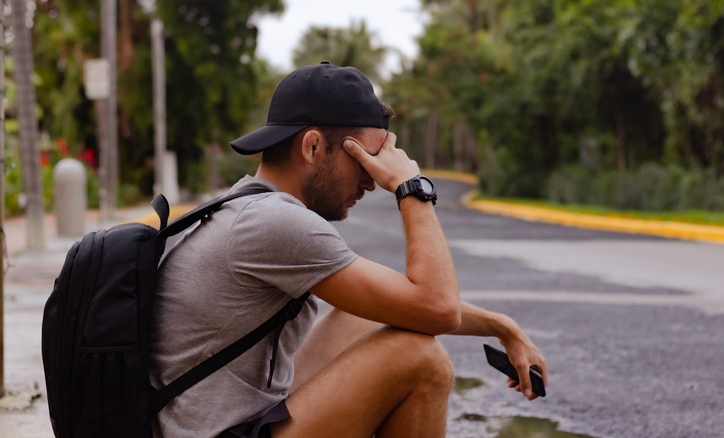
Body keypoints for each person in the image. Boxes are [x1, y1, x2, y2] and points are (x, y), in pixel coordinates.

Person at [148, 61, 547, 438]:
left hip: (220, 423)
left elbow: (409, 301)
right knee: (420, 360)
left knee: (361, 318)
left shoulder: (246, 204)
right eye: (366, 161)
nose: (374, 182)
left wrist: (502, 327)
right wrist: (412, 189)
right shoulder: (274, 223)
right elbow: (437, 306)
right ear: (313, 147)